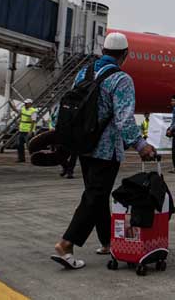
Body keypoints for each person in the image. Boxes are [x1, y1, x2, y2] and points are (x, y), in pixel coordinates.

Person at [52, 32, 156, 270]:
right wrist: (140, 145)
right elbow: (124, 118)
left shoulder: (83, 73)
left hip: (84, 146)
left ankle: (108, 242)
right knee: (95, 196)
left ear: (103, 51)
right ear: (125, 55)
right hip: (106, 149)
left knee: (97, 193)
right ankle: (66, 244)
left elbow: (67, 104)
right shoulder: (121, 79)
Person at [9, 99, 37, 163]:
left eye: (26, 103)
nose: (25, 104)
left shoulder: (33, 111)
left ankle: (34, 159)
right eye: (25, 103)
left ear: (30, 104)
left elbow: (33, 121)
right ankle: (21, 159)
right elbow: (16, 110)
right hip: (22, 130)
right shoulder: (23, 109)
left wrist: (31, 131)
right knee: (19, 145)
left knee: (30, 146)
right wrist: (11, 105)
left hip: (28, 131)